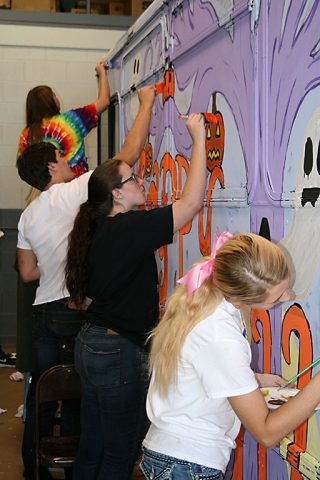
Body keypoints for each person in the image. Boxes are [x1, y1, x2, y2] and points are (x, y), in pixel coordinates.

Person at [16, 84, 155, 480]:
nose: (68, 163)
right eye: (61, 159)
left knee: (41, 399)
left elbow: (27, 272)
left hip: (42, 314)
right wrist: (145, 104)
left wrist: (55, 259)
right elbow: (124, 158)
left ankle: (35, 473)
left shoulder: (27, 215)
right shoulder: (72, 193)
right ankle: (76, 468)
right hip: (71, 310)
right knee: (80, 400)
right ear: (50, 169)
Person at [64, 112, 206, 479]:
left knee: (93, 448)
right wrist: (199, 137)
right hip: (117, 353)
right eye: (133, 179)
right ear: (116, 193)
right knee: (120, 455)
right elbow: (190, 205)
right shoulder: (128, 228)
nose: (141, 182)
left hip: (93, 345)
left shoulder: (96, 226)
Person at [140, 231, 320, 479]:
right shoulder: (220, 335)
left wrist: (253, 379)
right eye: (278, 298)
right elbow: (266, 433)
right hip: (187, 464)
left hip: (174, 455)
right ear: (245, 297)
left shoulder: (211, 302)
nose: (288, 298)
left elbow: (202, 368)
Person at [17, 62, 110, 206]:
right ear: (51, 101)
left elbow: (23, 169)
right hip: (77, 192)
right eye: (54, 95)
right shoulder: (70, 121)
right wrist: (102, 73)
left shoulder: (26, 134)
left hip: (44, 196)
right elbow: (104, 101)